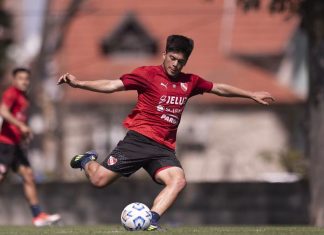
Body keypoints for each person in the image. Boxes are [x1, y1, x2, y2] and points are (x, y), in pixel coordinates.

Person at [58, 35, 274, 230]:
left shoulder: (190, 82)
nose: (175, 64)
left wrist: (251, 94)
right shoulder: (147, 74)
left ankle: (151, 219)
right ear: (164, 54)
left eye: (181, 61)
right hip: (138, 141)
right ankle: (86, 159)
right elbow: (111, 85)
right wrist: (79, 84)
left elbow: (219, 88)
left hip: (163, 148)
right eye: (172, 58)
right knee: (98, 180)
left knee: (178, 180)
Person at [0, 68, 61, 226]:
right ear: (14, 80)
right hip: (4, 143)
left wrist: (24, 133)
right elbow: (3, 112)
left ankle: (38, 216)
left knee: (28, 176)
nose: (24, 81)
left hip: (16, 145)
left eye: (26, 78)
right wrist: (21, 126)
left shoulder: (24, 98)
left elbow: (18, 119)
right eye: (20, 78)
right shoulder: (11, 93)